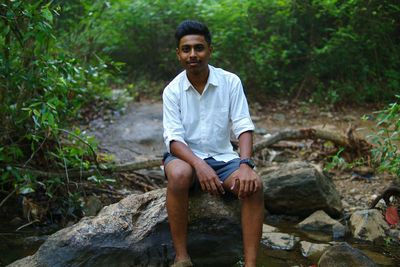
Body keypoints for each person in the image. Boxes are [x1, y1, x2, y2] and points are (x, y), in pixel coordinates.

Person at [162, 20, 264, 267]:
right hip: (184, 158)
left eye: (199, 48)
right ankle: (182, 257)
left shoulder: (230, 82)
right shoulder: (172, 90)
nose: (192, 54)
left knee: (254, 186)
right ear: (178, 54)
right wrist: (199, 165)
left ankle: (250, 264)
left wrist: (246, 164)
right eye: (186, 49)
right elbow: (173, 139)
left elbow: (243, 126)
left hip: (223, 158)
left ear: (209, 50)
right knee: (179, 175)